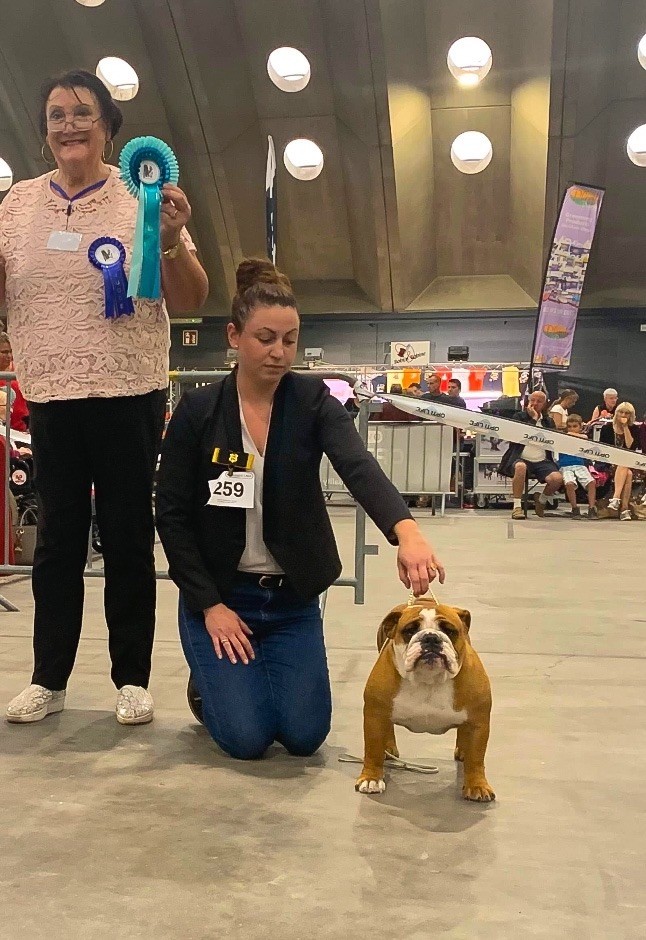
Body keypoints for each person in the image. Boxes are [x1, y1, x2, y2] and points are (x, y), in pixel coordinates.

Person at [155, 258, 444, 761]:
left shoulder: (312, 401)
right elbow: (172, 515)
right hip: (222, 597)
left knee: (304, 737)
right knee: (247, 740)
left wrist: (407, 531)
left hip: (291, 601)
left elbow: (358, 466)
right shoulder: (199, 411)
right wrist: (210, 606)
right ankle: (209, 683)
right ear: (234, 336)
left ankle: (246, 678)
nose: (279, 352)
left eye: (289, 340)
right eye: (265, 338)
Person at [1, 69, 209, 725]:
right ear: (44, 131)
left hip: (128, 391)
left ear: (109, 126)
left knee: (127, 537)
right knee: (57, 541)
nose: (68, 125)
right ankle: (48, 678)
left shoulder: (144, 194)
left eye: (82, 112)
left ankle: (132, 679)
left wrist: (170, 242)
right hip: (49, 393)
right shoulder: (15, 205)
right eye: (56, 115)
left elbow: (191, 299)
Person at [498, 391, 563, 520]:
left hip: (542, 460)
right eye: (532, 400)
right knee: (520, 467)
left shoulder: (548, 421)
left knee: (557, 479)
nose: (535, 403)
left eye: (539, 401)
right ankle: (517, 507)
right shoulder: (518, 417)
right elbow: (520, 436)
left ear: (544, 404)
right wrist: (533, 419)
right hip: (521, 457)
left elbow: (553, 440)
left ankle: (542, 500)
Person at [599, 402, 638, 520]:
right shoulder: (607, 428)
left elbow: (630, 446)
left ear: (631, 415)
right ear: (617, 413)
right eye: (621, 412)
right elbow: (603, 448)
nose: (623, 415)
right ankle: (624, 509)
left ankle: (616, 500)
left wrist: (625, 428)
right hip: (609, 461)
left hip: (627, 462)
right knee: (628, 473)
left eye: (627, 413)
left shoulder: (633, 428)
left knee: (625, 467)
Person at [558, 414, 597, 518]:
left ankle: (591, 508)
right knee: (569, 483)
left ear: (580, 427)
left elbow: (586, 437)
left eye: (575, 426)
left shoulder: (582, 437)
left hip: (579, 465)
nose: (572, 429)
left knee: (592, 482)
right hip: (565, 466)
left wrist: (572, 435)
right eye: (569, 426)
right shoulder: (562, 437)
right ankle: (574, 508)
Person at [0, 332, 29, 431]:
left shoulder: (18, 375)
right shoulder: (13, 383)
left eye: (11, 351)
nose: (9, 356)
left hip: (20, 433)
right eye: (4, 352)